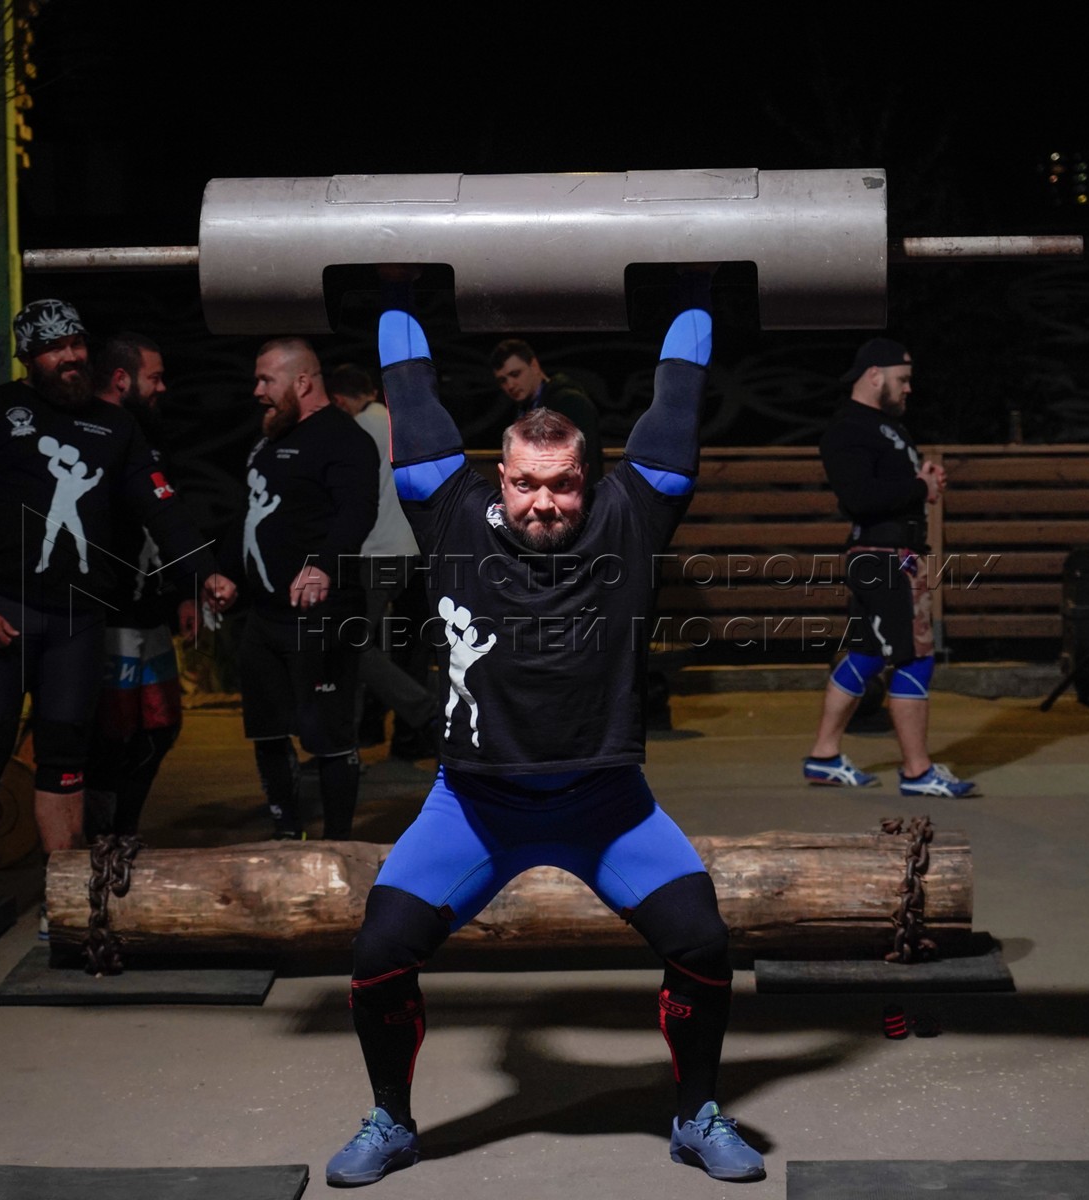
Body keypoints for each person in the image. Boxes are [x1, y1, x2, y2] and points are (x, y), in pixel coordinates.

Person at [321, 281, 766, 1186]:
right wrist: (397, 284)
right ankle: (391, 1121)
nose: (544, 503)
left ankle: (696, 1115)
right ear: (502, 475)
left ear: (587, 479)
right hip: (474, 807)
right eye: (525, 483)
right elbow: (407, 376)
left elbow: (678, 394)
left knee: (703, 942)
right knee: (378, 952)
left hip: (608, 805)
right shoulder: (448, 511)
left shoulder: (633, 513)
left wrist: (694, 286)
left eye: (562, 485)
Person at [0, 301, 218, 952]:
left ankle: (61, 902)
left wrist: (202, 572)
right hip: (0, 609)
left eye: (78, 344)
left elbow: (159, 506)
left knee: (64, 759)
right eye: (55, 348)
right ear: (29, 357)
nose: (71, 357)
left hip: (78, 620)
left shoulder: (115, 426)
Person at [206, 339, 379, 840]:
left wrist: (324, 565)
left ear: (302, 382)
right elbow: (250, 515)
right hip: (265, 616)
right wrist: (225, 573)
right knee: (267, 731)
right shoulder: (267, 440)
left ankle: (338, 845)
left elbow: (358, 510)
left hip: (321, 613)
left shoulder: (343, 438)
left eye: (267, 380)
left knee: (328, 736)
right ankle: (287, 836)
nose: (257, 391)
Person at [800, 338, 976, 797]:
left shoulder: (886, 427)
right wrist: (918, 488)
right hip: (883, 559)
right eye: (902, 379)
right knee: (915, 657)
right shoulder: (848, 429)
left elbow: (896, 485)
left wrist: (923, 478)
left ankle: (823, 757)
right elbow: (858, 497)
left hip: (890, 557)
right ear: (875, 375)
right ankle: (917, 772)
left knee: (867, 654)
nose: (908, 388)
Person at [83, 331, 195, 838]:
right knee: (112, 730)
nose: (162, 387)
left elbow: (166, 518)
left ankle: (121, 829)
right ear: (121, 379)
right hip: (109, 613)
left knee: (160, 725)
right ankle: (100, 835)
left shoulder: (148, 434)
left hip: (150, 610)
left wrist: (184, 592)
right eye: (155, 377)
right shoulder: (92, 434)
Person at [328, 363, 443, 758]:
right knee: (404, 647)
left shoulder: (357, 429)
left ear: (339, 401)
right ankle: (392, 733)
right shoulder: (398, 422)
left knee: (350, 643)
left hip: (377, 551)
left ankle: (423, 711)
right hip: (413, 547)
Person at [490, 337, 603, 483]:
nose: (510, 385)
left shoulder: (569, 402)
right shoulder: (523, 409)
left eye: (515, 374)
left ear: (534, 365)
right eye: (502, 380)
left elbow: (587, 464)